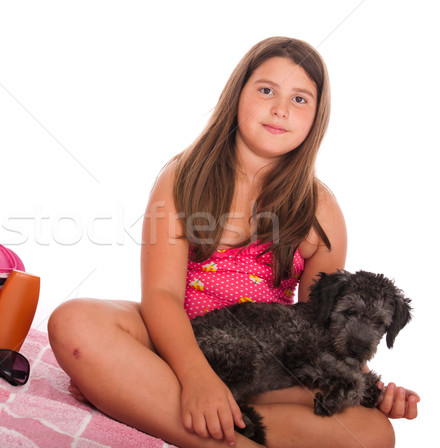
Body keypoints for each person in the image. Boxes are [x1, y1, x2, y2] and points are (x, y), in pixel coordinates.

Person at [48, 36, 419, 448]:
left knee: (374, 434)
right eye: (266, 91)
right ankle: (221, 427)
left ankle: (142, 395)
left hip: (267, 366)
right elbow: (161, 295)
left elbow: (325, 328)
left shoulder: (322, 211)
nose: (280, 108)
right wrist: (197, 378)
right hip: (178, 339)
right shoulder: (184, 178)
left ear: (317, 117)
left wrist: (375, 388)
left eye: (300, 99)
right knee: (74, 321)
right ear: (237, 95)